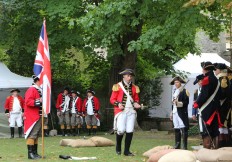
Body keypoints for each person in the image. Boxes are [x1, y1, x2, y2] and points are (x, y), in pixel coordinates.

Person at [110, 68, 141, 156]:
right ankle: (118, 148)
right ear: (124, 76)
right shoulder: (117, 86)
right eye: (128, 75)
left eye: (130, 76)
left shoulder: (135, 87)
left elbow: (136, 99)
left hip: (131, 111)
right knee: (121, 130)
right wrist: (118, 104)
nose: (129, 77)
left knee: (130, 130)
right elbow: (112, 99)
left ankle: (127, 151)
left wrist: (136, 104)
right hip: (121, 112)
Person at [193, 61, 220, 149]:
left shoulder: (207, 79)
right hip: (215, 108)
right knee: (214, 131)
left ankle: (207, 152)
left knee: (205, 131)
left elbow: (204, 94)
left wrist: (197, 103)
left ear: (205, 69)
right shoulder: (216, 79)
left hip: (206, 109)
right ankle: (215, 151)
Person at [24, 75, 42, 159]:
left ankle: (35, 153)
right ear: (37, 81)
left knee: (36, 135)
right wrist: (39, 101)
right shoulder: (32, 89)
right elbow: (28, 101)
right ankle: (30, 154)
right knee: (32, 134)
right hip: (32, 116)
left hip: (39, 115)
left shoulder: (39, 90)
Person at [169, 76, 189, 150]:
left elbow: (186, 103)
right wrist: (171, 112)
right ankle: (177, 144)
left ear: (180, 82)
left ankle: (184, 145)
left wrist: (178, 103)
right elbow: (173, 104)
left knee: (183, 128)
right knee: (176, 128)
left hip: (181, 112)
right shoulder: (175, 91)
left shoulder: (184, 91)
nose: (176, 84)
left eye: (177, 82)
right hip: (175, 112)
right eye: (175, 82)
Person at [214, 63, 231, 147]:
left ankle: (223, 145)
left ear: (219, 70)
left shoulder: (223, 78)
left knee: (223, 125)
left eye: (215, 70)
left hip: (223, 105)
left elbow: (223, 93)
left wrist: (215, 98)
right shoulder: (219, 78)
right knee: (222, 127)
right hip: (221, 105)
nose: (214, 71)